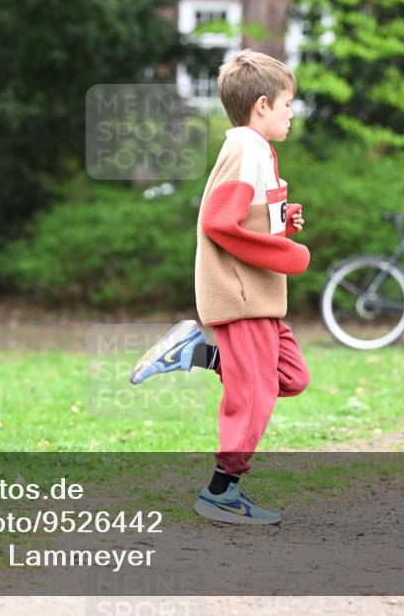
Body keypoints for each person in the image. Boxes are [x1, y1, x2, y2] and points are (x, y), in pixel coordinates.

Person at [129, 49, 310, 525]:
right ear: (263, 105)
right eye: (288, 103)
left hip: (262, 297)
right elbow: (217, 223)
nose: (293, 112)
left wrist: (281, 226)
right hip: (241, 297)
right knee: (252, 399)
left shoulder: (258, 150)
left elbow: (242, 220)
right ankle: (220, 493)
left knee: (289, 378)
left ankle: (197, 353)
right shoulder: (246, 148)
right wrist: (286, 255)